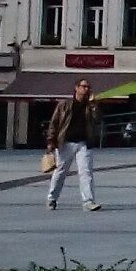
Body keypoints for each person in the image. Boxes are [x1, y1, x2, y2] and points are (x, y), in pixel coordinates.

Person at [38, 78, 102, 211]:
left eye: (88, 87)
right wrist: (50, 141)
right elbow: (54, 123)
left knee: (86, 172)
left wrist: (94, 105)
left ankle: (88, 201)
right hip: (65, 143)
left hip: (84, 143)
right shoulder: (65, 105)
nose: (86, 89)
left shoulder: (90, 106)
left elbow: (97, 121)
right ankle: (52, 198)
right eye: (84, 86)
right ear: (76, 88)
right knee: (60, 172)